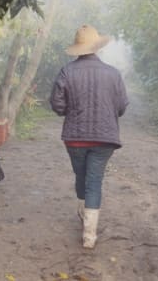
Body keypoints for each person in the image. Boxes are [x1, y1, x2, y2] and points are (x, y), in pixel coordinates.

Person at [50, 25, 128, 249]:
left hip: (75, 138)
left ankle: (85, 218)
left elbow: (57, 104)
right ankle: (89, 235)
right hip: (105, 140)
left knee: (82, 176)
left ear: (78, 49)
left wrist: (71, 111)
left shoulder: (67, 71)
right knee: (93, 180)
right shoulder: (113, 73)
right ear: (97, 48)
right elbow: (122, 106)